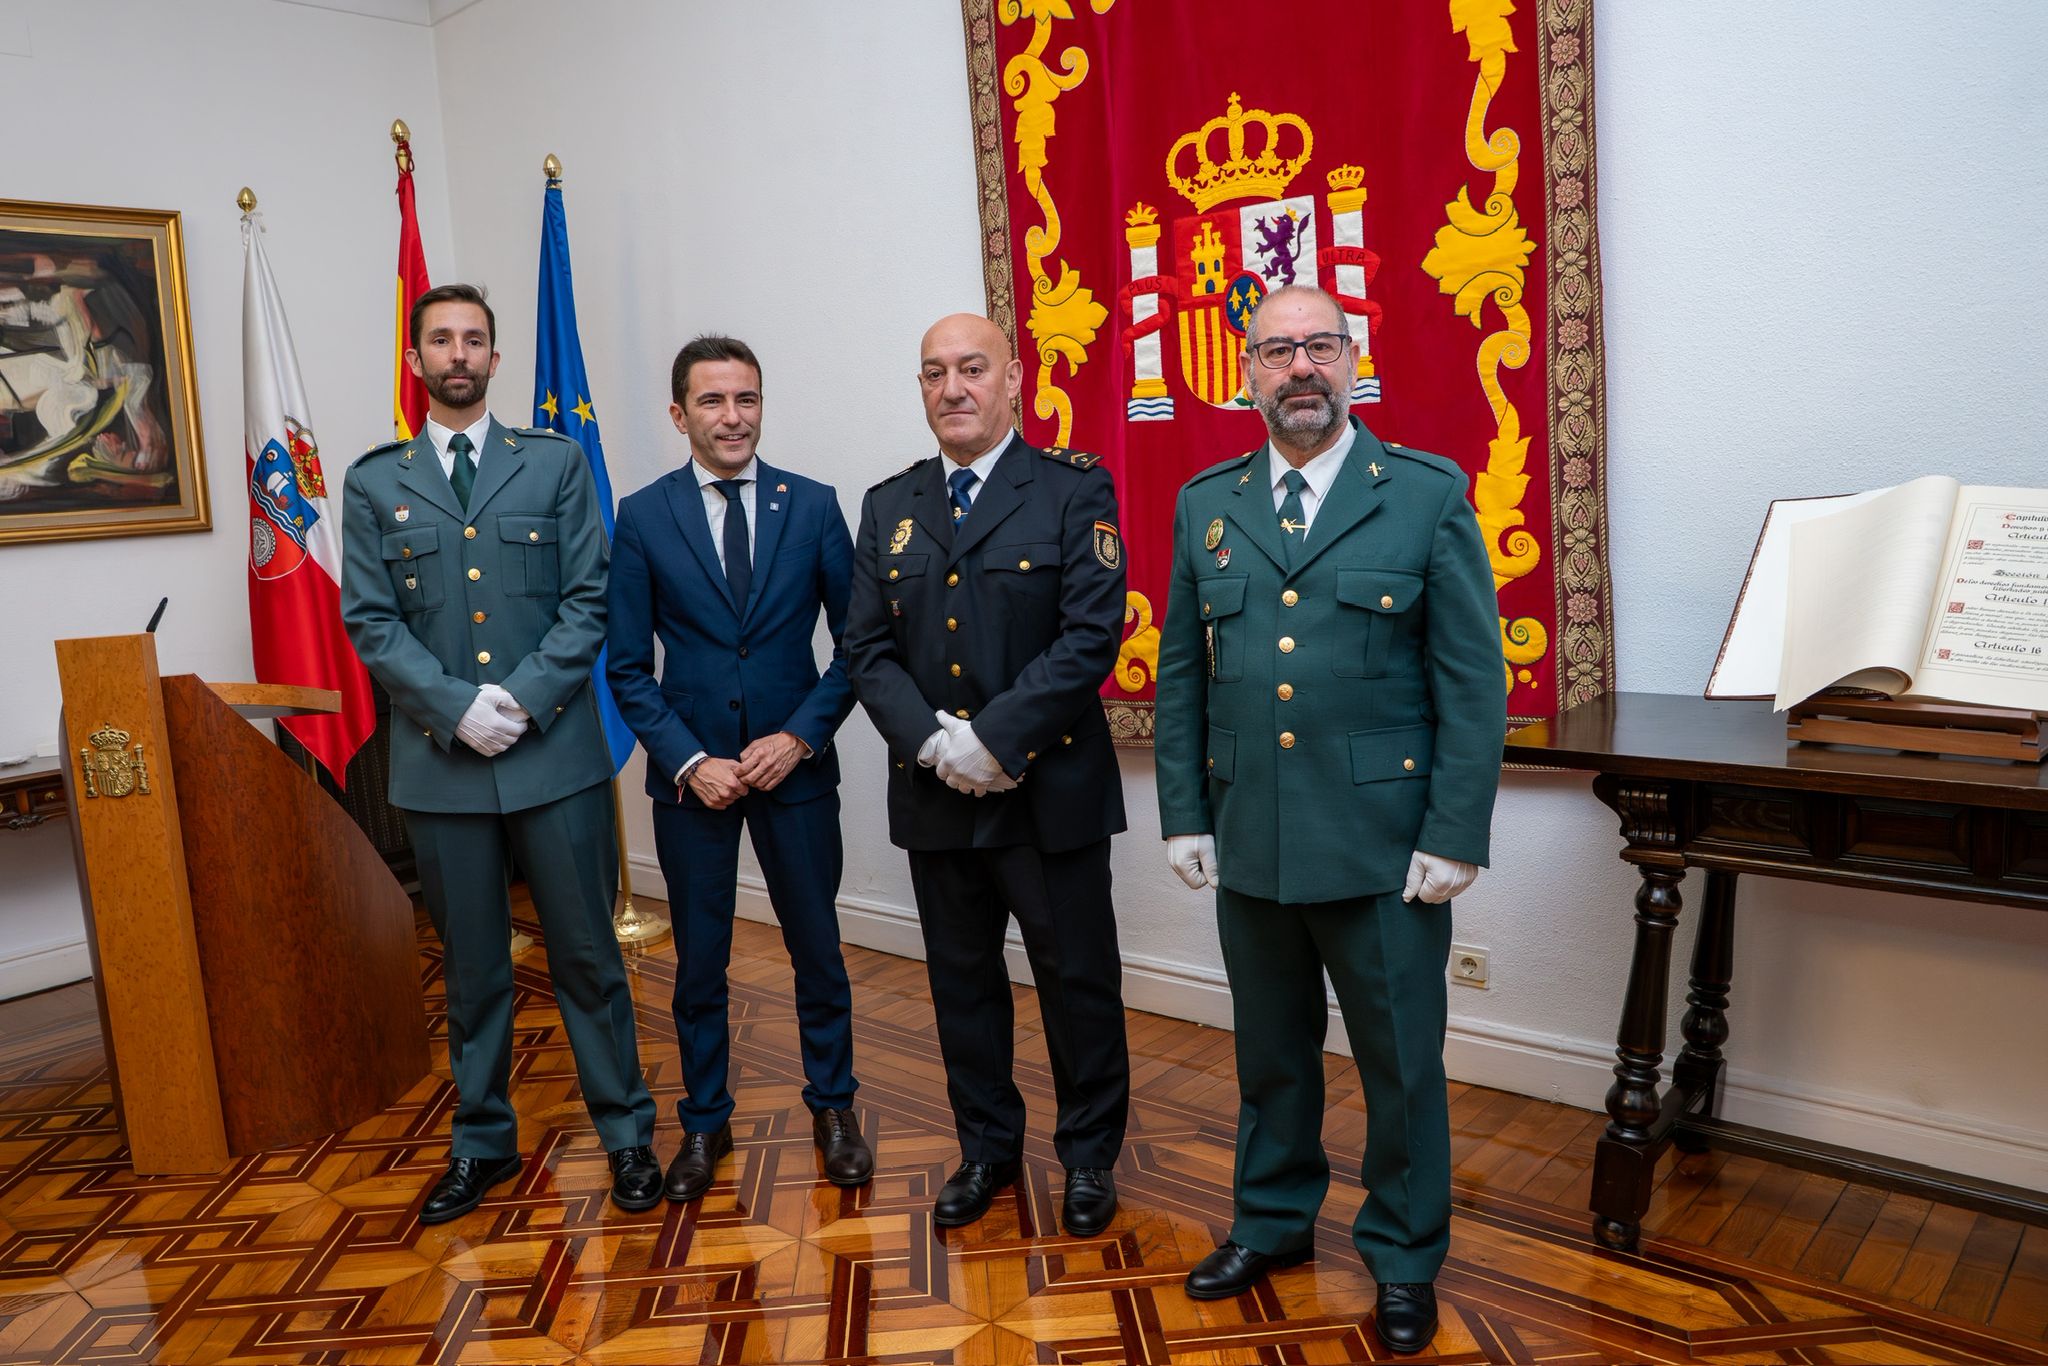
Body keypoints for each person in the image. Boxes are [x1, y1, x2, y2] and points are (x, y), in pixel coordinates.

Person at [1152, 284, 1506, 1354]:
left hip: (1385, 846)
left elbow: (1470, 684)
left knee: (1399, 1063)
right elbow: (1180, 676)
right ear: (1245, 371)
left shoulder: (1423, 494)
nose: (1297, 366)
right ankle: (1270, 1223)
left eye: (1318, 346)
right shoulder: (1205, 500)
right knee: (1270, 1053)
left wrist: (1453, 833)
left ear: (1352, 358)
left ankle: (1401, 1255)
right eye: (1274, 350)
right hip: (1250, 831)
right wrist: (1184, 813)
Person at [340, 283, 659, 1222]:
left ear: (494, 357)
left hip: (552, 756)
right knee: (472, 971)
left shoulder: (553, 465)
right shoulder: (375, 481)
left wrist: (515, 701)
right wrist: (453, 709)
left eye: (474, 340)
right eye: (441, 339)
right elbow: (370, 618)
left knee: (589, 958)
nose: (459, 355)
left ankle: (628, 1134)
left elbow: (588, 600)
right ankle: (482, 1143)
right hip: (441, 769)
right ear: (416, 361)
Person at [844, 313, 1130, 1236]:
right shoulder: (890, 505)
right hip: (936, 797)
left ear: (1014, 378)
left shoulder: (1070, 491)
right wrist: (935, 745)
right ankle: (986, 1150)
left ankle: (1088, 1157)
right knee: (960, 984)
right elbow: (866, 647)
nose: (953, 388)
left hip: (1049, 793)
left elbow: (1089, 636)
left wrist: (993, 741)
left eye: (972, 369)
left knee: (1076, 984)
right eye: (934, 373)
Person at [605, 334, 869, 1202]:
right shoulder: (643, 517)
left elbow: (857, 647)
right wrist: (687, 761)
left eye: (746, 399)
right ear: (679, 414)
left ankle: (835, 1110)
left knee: (818, 953)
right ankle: (706, 1124)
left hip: (795, 773)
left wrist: (798, 738)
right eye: (713, 402)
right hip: (695, 786)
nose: (733, 417)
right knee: (699, 966)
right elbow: (627, 669)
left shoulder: (816, 506)